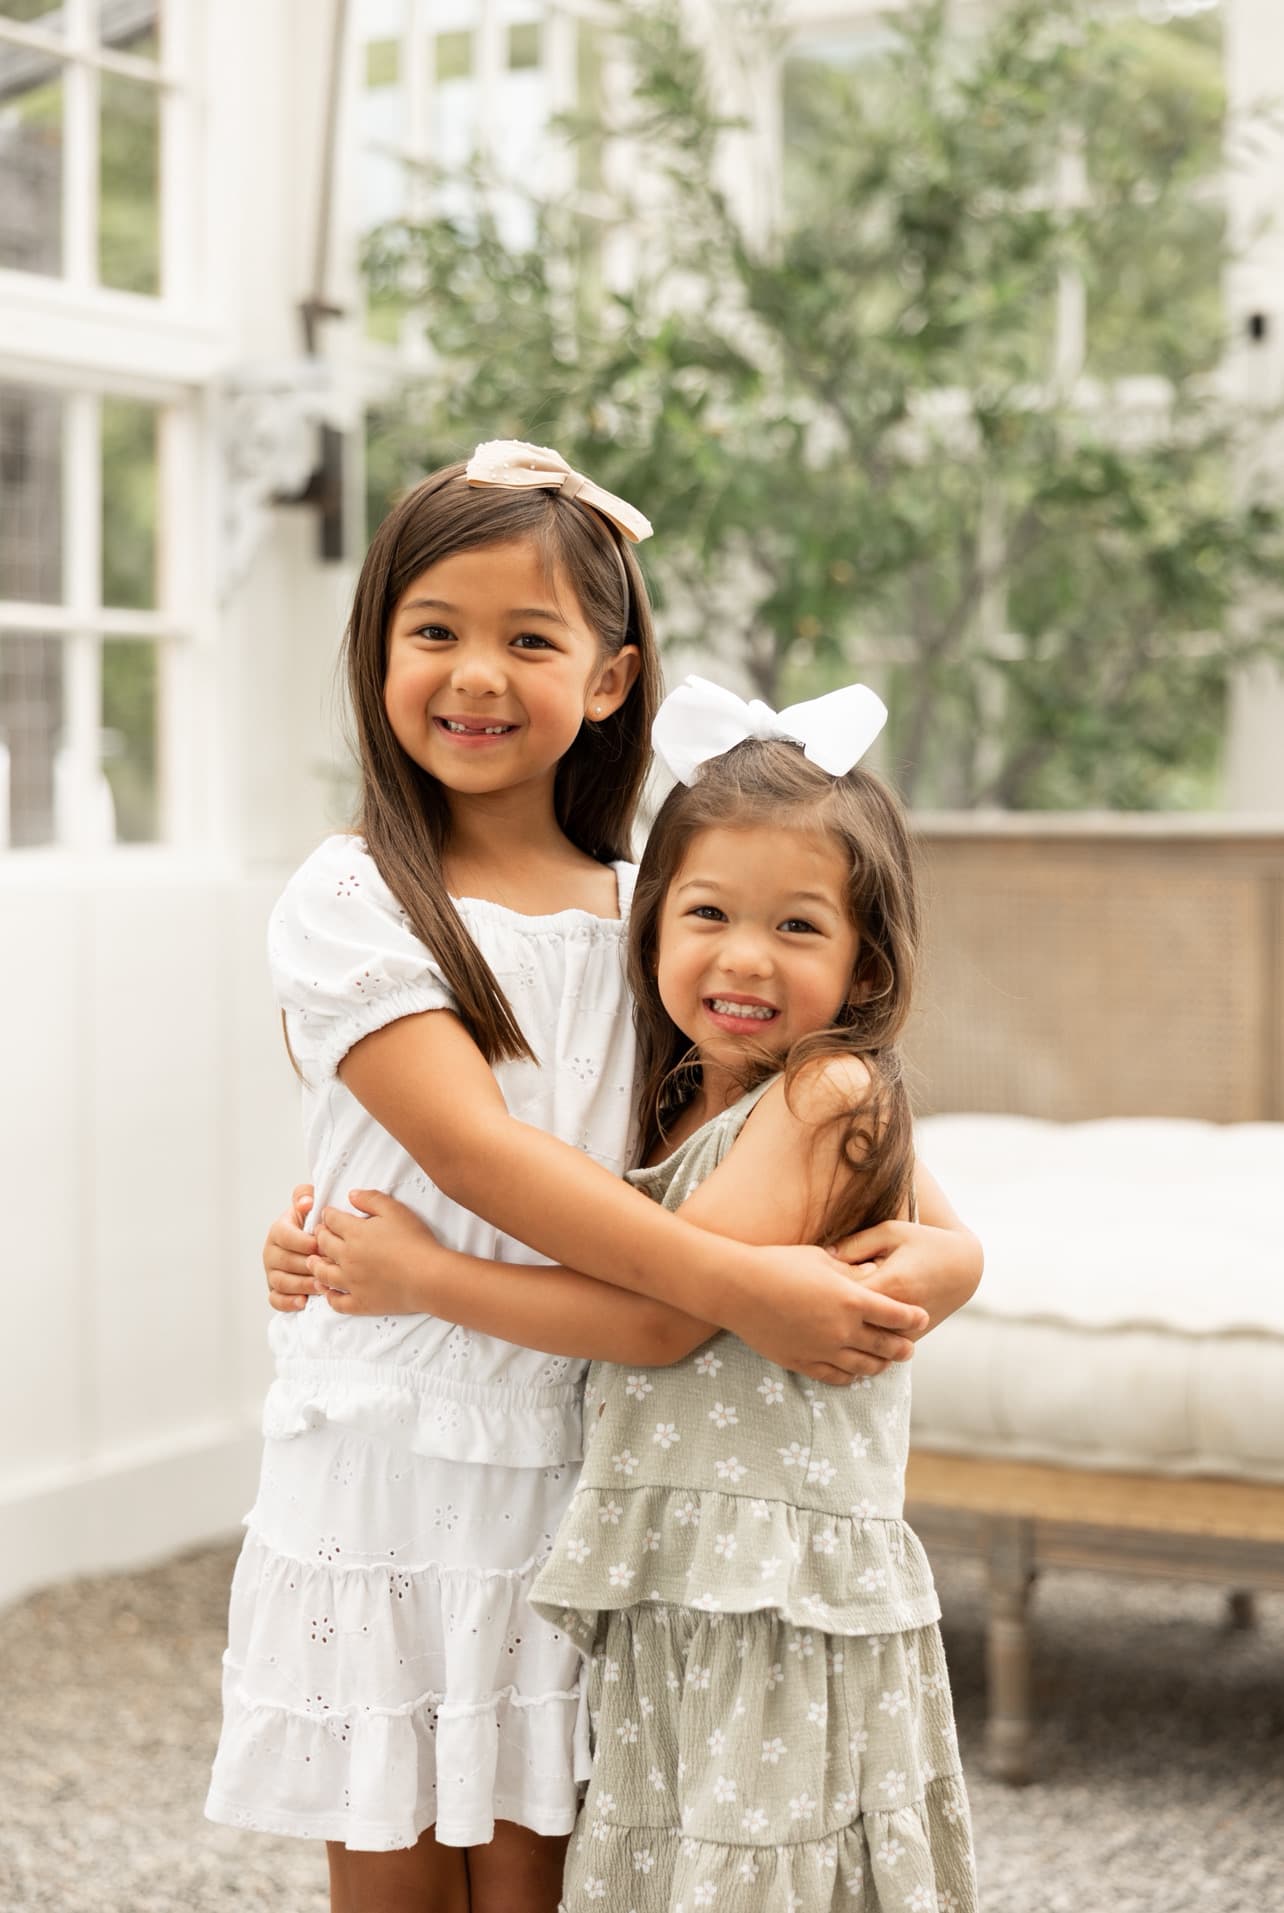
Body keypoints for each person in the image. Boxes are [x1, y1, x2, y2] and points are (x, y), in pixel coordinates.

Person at [209, 441, 963, 1913]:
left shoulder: (656, 912)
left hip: (580, 1448)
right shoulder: (353, 896)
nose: (476, 674)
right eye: (435, 630)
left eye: (530, 640)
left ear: (612, 679)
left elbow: (819, 1143)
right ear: (376, 652)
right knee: (396, 1849)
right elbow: (474, 1153)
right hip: (398, 1437)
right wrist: (747, 1290)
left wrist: (943, 1261)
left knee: (551, 1863)